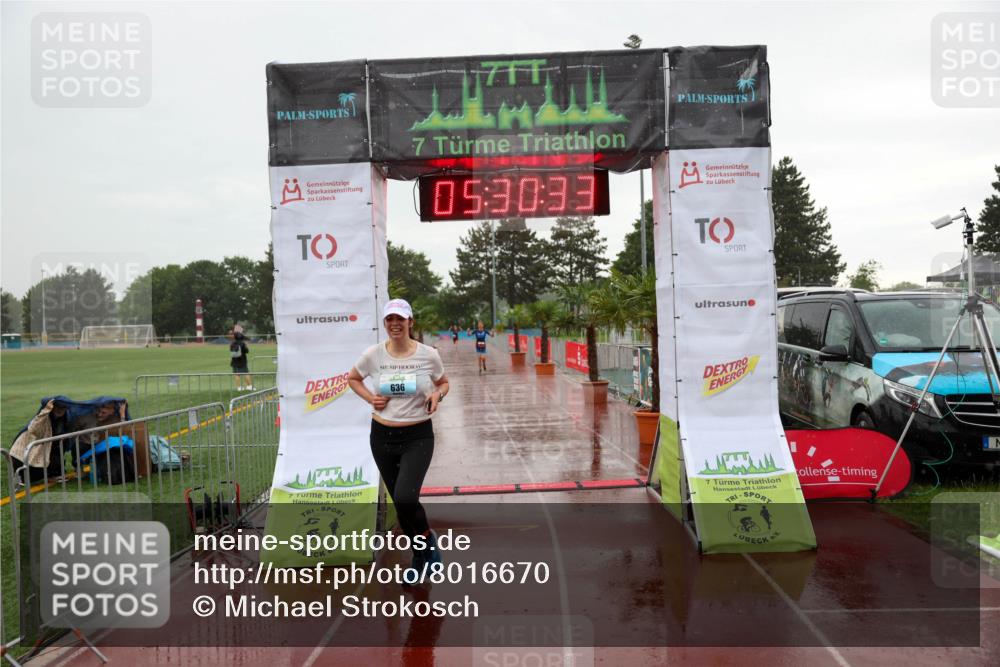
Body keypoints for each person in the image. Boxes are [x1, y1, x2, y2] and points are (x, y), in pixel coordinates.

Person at [348, 298, 450, 583]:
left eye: (400, 319)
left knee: (406, 497)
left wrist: (436, 395)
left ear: (410, 322)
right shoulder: (373, 355)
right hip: (381, 437)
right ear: (385, 323)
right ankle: (420, 558)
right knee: (400, 505)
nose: (395, 324)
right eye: (390, 319)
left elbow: (444, 383)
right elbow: (353, 378)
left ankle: (427, 544)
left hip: (417, 435)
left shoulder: (428, 355)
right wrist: (371, 397)